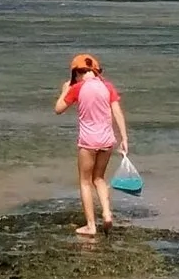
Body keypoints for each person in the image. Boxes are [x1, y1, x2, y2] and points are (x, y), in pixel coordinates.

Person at [55, 53, 131, 236]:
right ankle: (106, 213)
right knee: (99, 179)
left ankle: (91, 225)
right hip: (107, 140)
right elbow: (117, 112)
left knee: (85, 182)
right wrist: (124, 138)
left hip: (88, 141)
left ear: (76, 74)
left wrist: (65, 90)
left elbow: (58, 109)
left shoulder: (78, 88)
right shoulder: (107, 86)